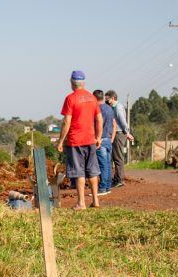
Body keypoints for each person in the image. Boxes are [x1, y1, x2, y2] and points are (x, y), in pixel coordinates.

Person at [56, 71, 103, 210]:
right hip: (90, 140)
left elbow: (67, 122)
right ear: (84, 83)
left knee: (79, 172)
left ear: (72, 83)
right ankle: (95, 200)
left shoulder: (70, 99)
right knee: (93, 171)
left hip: (75, 141)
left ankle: (81, 203)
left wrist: (60, 141)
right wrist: (98, 137)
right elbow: (99, 120)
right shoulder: (92, 98)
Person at [105, 90, 134, 188]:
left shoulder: (118, 108)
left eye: (107, 99)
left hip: (119, 133)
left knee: (118, 157)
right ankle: (116, 178)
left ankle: (120, 180)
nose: (106, 101)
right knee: (115, 157)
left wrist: (127, 133)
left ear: (113, 98)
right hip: (115, 133)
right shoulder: (112, 107)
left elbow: (122, 121)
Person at [92, 89, 116, 196]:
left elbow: (99, 125)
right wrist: (112, 138)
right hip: (108, 139)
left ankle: (102, 188)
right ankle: (107, 186)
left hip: (100, 140)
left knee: (102, 165)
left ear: (94, 98)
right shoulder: (110, 108)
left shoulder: (98, 109)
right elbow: (114, 124)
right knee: (107, 164)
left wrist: (97, 138)